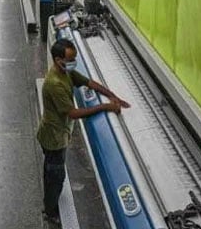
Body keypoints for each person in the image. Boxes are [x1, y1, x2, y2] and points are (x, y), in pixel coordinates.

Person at [37, 38, 131, 224]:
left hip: (59, 134)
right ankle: (50, 211)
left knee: (53, 170)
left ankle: (51, 194)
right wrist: (105, 107)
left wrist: (113, 96)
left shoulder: (67, 72)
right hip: (53, 138)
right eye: (70, 59)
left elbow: (89, 83)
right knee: (55, 174)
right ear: (58, 60)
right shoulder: (54, 83)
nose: (74, 63)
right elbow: (73, 113)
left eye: (75, 58)